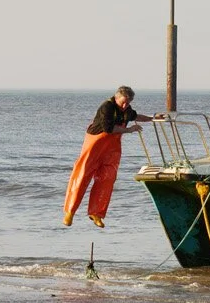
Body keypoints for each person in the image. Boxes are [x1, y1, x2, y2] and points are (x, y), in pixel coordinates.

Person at [63, 86, 149, 228]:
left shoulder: (127, 110)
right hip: (95, 144)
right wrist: (128, 130)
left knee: (107, 178)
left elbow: (136, 116)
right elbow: (109, 128)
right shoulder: (107, 107)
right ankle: (70, 212)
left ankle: (96, 213)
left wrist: (152, 118)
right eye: (123, 102)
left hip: (112, 149)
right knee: (83, 175)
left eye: (128, 102)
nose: (125, 105)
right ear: (117, 98)